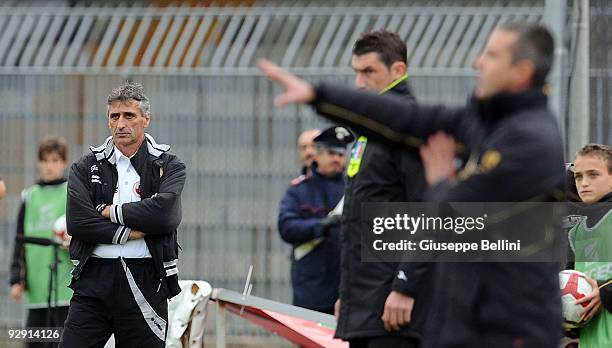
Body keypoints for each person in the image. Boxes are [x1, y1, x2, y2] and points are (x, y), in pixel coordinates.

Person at [259, 21, 565, 347]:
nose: (478, 62)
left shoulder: (531, 140)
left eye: (491, 55)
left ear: (522, 71)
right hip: (465, 318)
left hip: (512, 327)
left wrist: (437, 185)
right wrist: (319, 96)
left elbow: (458, 217)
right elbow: (411, 121)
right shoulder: (488, 123)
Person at [60, 82, 186, 347]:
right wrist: (129, 232)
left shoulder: (169, 165)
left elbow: (164, 216)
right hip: (93, 278)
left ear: (145, 120)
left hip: (146, 278)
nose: (121, 124)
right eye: (114, 116)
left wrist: (109, 212)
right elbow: (78, 222)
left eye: (129, 116)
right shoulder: (85, 165)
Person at [333, 30, 429, 348]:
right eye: (356, 72)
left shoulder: (410, 128)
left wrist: (406, 287)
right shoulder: (372, 128)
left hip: (397, 309)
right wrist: (348, 296)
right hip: (366, 304)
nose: (359, 83)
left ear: (397, 70)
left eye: (369, 71)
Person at [278, 126, 353, 314]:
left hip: (346, 288)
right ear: (317, 155)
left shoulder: (354, 189)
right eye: (331, 153)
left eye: (341, 154)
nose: (337, 159)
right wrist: (321, 225)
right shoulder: (299, 190)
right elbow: (286, 227)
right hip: (312, 289)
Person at [9, 137, 72, 348]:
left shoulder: (72, 192)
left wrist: (75, 242)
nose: (49, 166)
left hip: (66, 288)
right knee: (36, 342)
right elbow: (19, 240)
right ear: (39, 163)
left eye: (55, 160)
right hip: (37, 287)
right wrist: (16, 278)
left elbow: (85, 231)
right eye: (45, 161)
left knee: (62, 342)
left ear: (63, 162)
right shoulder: (29, 196)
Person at [567, 144, 612, 348]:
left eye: (593, 175)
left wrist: (606, 292)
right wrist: (569, 319)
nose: (584, 183)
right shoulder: (575, 233)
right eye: (578, 176)